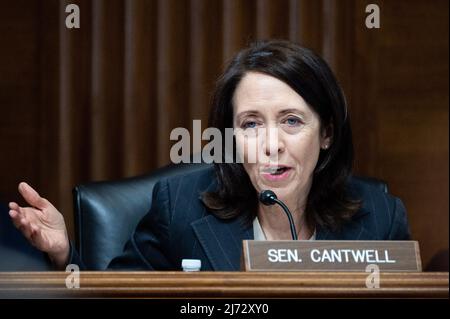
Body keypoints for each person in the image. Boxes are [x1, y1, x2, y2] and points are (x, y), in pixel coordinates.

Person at [8, 40, 411, 271]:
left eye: (291, 121)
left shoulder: (380, 216)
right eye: (251, 124)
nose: (272, 145)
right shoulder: (178, 209)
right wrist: (65, 256)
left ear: (326, 134)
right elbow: (115, 300)